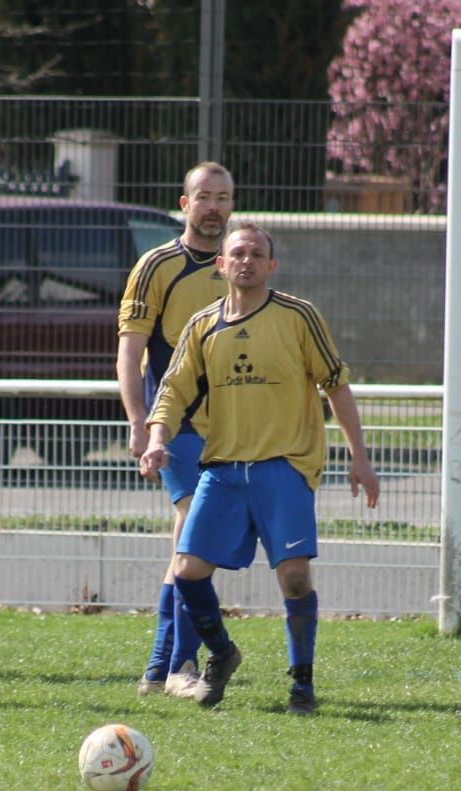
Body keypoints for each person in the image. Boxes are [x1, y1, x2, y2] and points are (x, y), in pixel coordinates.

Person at [140, 222, 379, 714]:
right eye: (237, 254)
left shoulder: (298, 316)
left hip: (283, 467)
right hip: (222, 469)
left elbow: (336, 384)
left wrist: (359, 455)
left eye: (256, 254)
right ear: (221, 265)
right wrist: (157, 437)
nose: (246, 261)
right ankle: (222, 652)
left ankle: (302, 685)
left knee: (294, 576)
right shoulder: (202, 325)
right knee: (187, 572)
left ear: (271, 265)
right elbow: (173, 390)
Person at [117, 162, 234, 699]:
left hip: (229, 429)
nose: (213, 207)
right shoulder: (157, 265)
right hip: (177, 421)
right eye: (203, 196)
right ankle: (181, 664)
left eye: (223, 198)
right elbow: (130, 352)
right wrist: (139, 421)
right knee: (194, 528)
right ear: (185, 204)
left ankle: (159, 667)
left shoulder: (239, 263)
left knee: (191, 543)